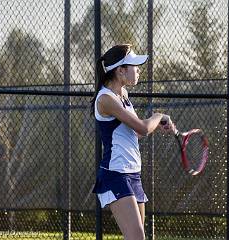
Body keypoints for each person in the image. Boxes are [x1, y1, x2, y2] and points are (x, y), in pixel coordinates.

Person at [91, 44, 174, 240]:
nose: (138, 70)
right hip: (115, 174)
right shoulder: (105, 99)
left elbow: (135, 133)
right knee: (137, 237)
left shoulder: (124, 96)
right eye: (133, 65)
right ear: (120, 70)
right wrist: (158, 116)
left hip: (133, 174)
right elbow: (143, 127)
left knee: (137, 238)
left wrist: (155, 124)